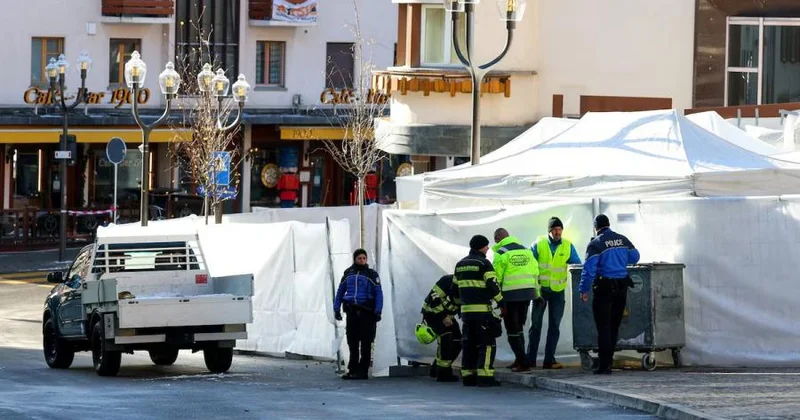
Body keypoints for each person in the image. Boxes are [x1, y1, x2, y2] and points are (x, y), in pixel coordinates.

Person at [579, 214, 640, 375]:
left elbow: (589, 269)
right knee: (614, 326)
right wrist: (619, 260)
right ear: (609, 224)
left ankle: (605, 365)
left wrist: (584, 290)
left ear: (596, 228)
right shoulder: (622, 239)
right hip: (621, 288)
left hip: (604, 288)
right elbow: (635, 256)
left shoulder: (596, 244)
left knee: (604, 327)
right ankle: (609, 361)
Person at [528, 217, 582, 369]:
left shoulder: (567, 246)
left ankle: (549, 360)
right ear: (549, 231)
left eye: (559, 229)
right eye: (555, 230)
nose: (557, 232)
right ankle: (530, 359)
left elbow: (577, 264)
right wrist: (534, 288)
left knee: (554, 326)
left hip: (558, 292)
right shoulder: (539, 244)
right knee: (535, 326)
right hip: (540, 291)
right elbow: (529, 265)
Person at [453, 235, 505, 387]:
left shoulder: (460, 264)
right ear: (481, 247)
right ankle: (485, 376)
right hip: (482, 312)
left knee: (469, 344)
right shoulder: (484, 263)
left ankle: (468, 376)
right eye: (486, 246)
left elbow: (455, 290)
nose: (488, 249)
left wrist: (458, 308)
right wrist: (502, 303)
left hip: (466, 314)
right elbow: (493, 285)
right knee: (487, 344)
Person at [492, 228, 539, 372]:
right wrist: (537, 294)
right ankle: (520, 360)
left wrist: (497, 299)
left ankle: (523, 363)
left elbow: (497, 278)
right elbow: (536, 272)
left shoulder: (501, 253)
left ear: (497, 239)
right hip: (527, 295)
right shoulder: (527, 251)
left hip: (510, 296)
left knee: (512, 330)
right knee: (519, 328)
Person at [334, 249, 383, 380]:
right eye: (359, 258)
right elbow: (340, 292)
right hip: (351, 312)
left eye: (364, 258)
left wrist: (378, 310)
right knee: (352, 342)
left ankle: (363, 371)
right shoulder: (348, 273)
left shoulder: (371, 274)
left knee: (366, 343)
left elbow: (379, 293)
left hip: (367, 312)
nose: (362, 260)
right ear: (354, 259)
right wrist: (336, 308)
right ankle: (352, 369)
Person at [420, 274, 461, 382]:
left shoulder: (469, 284)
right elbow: (433, 297)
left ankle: (436, 368)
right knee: (446, 338)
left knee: (458, 341)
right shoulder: (447, 280)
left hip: (449, 316)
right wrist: (443, 316)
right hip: (432, 312)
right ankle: (443, 373)